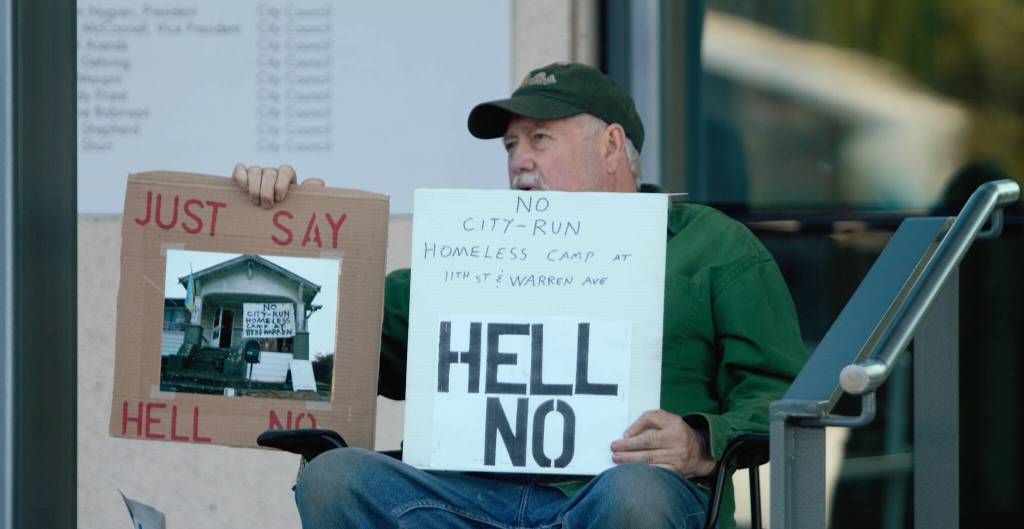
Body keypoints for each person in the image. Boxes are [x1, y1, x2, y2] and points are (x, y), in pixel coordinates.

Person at [234, 62, 806, 529]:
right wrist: (300, 235)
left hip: (614, 499)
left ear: (610, 146)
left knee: (636, 494)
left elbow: (783, 394)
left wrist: (702, 442)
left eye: (539, 139)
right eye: (510, 145)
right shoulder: (475, 249)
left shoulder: (713, 246)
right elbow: (343, 345)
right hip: (459, 505)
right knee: (335, 478)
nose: (519, 161)